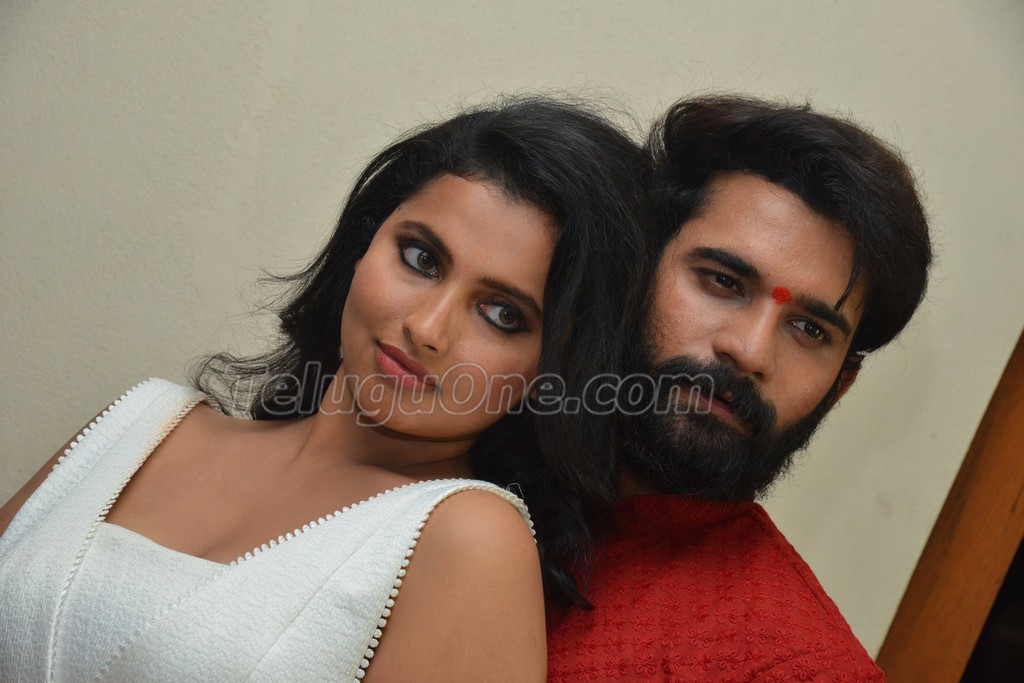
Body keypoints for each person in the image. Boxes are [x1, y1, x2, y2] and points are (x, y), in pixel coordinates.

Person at [0, 96, 647, 682]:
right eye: (421, 258)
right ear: (363, 245)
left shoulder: (470, 539)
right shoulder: (140, 423)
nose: (427, 329)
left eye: (502, 314)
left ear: (549, 372)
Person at [547, 95, 932, 681]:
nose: (750, 351)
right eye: (723, 281)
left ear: (841, 387)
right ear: (636, 264)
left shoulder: (795, 667)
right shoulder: (461, 444)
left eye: (809, 330)